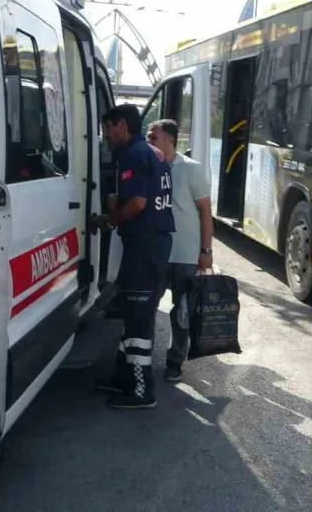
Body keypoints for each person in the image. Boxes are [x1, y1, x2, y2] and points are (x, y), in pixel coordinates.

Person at [91, 104, 175, 410]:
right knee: (131, 313)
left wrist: (111, 218)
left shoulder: (134, 154)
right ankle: (125, 377)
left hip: (145, 245)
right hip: (149, 244)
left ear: (122, 125)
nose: (106, 135)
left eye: (108, 128)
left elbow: (139, 204)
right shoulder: (153, 152)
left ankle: (141, 391)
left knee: (139, 319)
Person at [146, 119, 214, 383]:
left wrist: (206, 250)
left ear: (170, 141)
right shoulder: (149, 166)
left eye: (154, 138)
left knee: (182, 311)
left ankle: (175, 360)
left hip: (185, 252)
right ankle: (142, 360)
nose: (149, 142)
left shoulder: (191, 170)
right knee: (149, 305)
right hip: (156, 251)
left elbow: (205, 211)